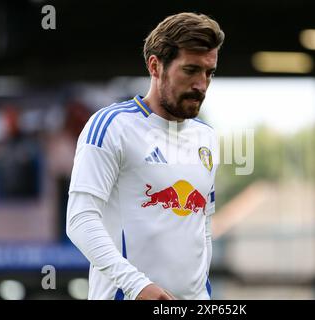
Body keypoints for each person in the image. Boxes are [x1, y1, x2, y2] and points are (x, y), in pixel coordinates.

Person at [66, 12, 225, 300]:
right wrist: (136, 285)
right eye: (190, 70)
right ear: (155, 66)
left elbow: (202, 227)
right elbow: (79, 220)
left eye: (208, 73)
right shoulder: (112, 126)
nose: (201, 85)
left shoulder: (207, 137)